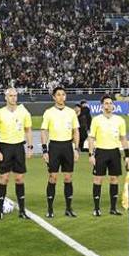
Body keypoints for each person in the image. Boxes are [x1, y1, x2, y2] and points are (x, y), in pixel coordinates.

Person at [0, 87, 33, 220]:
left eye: (15, 95)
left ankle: (22, 211)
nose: (13, 98)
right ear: (6, 97)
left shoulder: (23, 112)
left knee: (19, 179)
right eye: (11, 96)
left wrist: (30, 147)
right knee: (4, 178)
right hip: (5, 147)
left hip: (19, 147)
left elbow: (28, 130)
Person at [41, 86, 80, 218]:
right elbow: (44, 131)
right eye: (58, 94)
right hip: (54, 147)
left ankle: (68, 208)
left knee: (68, 178)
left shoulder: (71, 112)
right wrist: (44, 150)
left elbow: (76, 131)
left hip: (67, 146)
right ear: (54, 97)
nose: (61, 97)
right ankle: (50, 209)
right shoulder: (48, 112)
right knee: (53, 177)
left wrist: (76, 149)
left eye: (63, 94)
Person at [87, 95, 128, 217]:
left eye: (110, 103)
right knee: (98, 179)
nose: (108, 105)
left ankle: (113, 208)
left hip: (114, 152)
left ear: (113, 105)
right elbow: (91, 138)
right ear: (101, 106)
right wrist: (91, 154)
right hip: (101, 152)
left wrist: (127, 155)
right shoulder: (96, 120)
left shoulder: (120, 120)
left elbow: (123, 138)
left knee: (114, 179)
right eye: (106, 103)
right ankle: (96, 208)